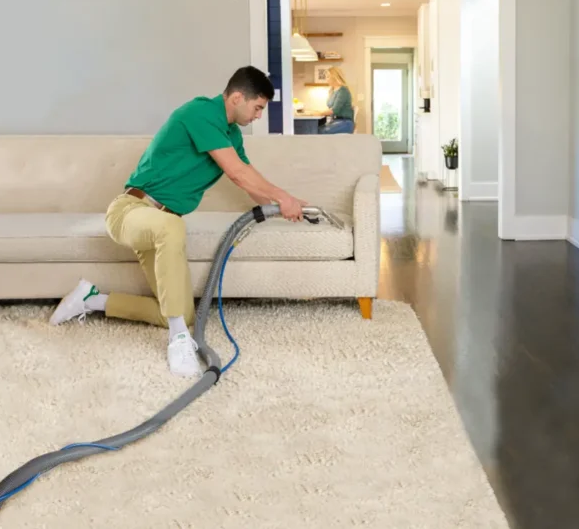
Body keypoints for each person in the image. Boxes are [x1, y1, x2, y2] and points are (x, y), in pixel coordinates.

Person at [48, 66, 307, 379]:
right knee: (173, 230)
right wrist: (283, 196)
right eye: (257, 108)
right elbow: (238, 173)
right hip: (131, 211)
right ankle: (179, 341)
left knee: (178, 312)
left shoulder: (231, 135)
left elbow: (248, 181)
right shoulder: (200, 112)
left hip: (161, 226)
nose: (258, 116)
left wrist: (287, 205)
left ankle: (91, 300)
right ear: (237, 97)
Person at [317, 67, 355, 134]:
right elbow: (330, 107)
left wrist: (319, 113)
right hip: (336, 121)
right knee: (317, 128)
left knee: (320, 131)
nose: (326, 79)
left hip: (345, 123)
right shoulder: (333, 91)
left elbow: (334, 110)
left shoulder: (343, 91)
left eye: (328, 77)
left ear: (334, 77)